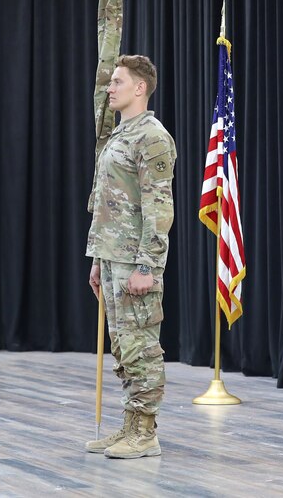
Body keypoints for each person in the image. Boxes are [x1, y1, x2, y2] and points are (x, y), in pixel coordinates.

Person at [84, 55, 177, 459]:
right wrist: (97, 258)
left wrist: (147, 266)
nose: (111, 87)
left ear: (140, 88)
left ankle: (146, 432)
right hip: (111, 257)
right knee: (123, 346)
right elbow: (105, 203)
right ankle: (129, 427)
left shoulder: (151, 137)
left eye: (118, 81)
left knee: (141, 345)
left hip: (135, 261)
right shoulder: (118, 137)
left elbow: (159, 206)